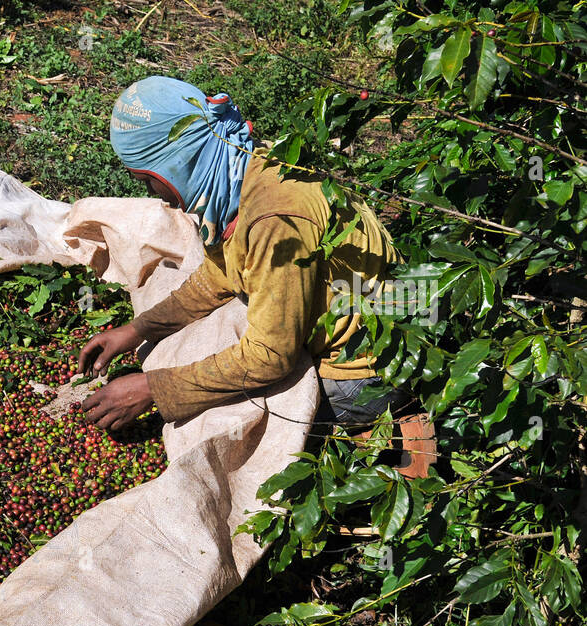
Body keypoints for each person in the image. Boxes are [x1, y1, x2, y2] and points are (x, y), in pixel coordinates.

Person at [78, 75, 414, 438]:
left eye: (147, 180)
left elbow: (271, 356)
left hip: (370, 367)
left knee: (242, 422)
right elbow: (222, 273)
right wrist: (139, 329)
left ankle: (393, 423)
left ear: (179, 161)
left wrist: (152, 390)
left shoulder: (276, 220)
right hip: (353, 319)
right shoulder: (242, 168)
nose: (156, 196)